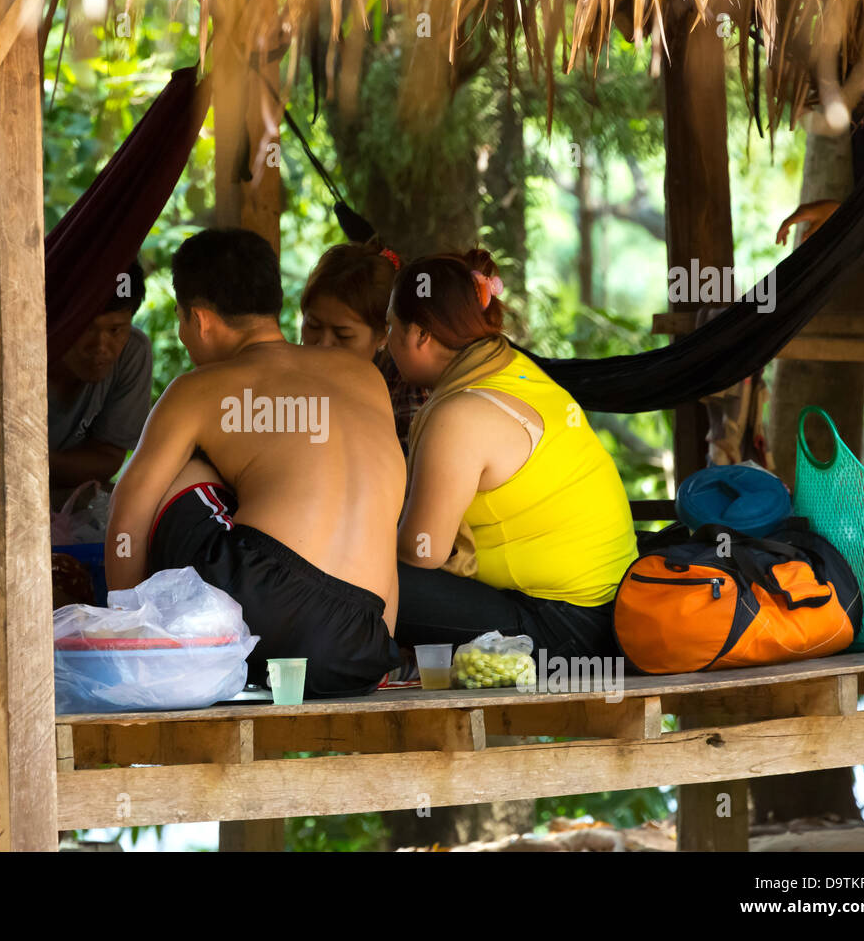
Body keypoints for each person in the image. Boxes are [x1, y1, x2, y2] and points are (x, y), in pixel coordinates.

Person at [105, 228, 404, 697]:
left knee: (182, 467)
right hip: (362, 646)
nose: (185, 339)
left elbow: (127, 518)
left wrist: (123, 628)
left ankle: (163, 649)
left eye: (182, 323)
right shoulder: (366, 376)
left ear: (200, 320)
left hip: (258, 622)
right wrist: (382, 642)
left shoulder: (197, 389)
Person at [388, 249, 638, 661]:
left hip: (563, 629)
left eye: (391, 327)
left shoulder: (460, 413)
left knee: (358, 577)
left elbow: (421, 549)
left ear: (419, 335)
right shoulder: (512, 368)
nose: (388, 342)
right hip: (606, 614)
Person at [300, 241, 429, 455]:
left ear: (382, 334)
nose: (323, 344)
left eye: (343, 335)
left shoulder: (407, 392)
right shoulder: (288, 374)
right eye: (313, 326)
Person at [49, 258, 153, 502]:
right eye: (85, 328)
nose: (100, 347)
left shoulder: (132, 352)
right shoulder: (14, 354)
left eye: (116, 330)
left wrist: (27, 460)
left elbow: (108, 459)